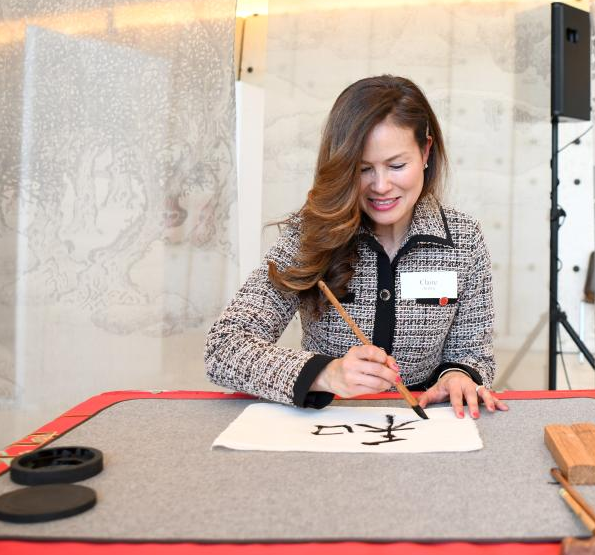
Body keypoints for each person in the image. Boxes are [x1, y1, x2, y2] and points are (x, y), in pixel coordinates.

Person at [205, 75, 508, 419]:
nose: (381, 185)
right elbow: (224, 347)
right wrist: (326, 374)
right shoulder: (309, 233)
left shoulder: (464, 238)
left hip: (426, 425)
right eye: (362, 169)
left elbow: (473, 353)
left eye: (396, 165)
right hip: (327, 423)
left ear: (425, 151)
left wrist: (458, 376)